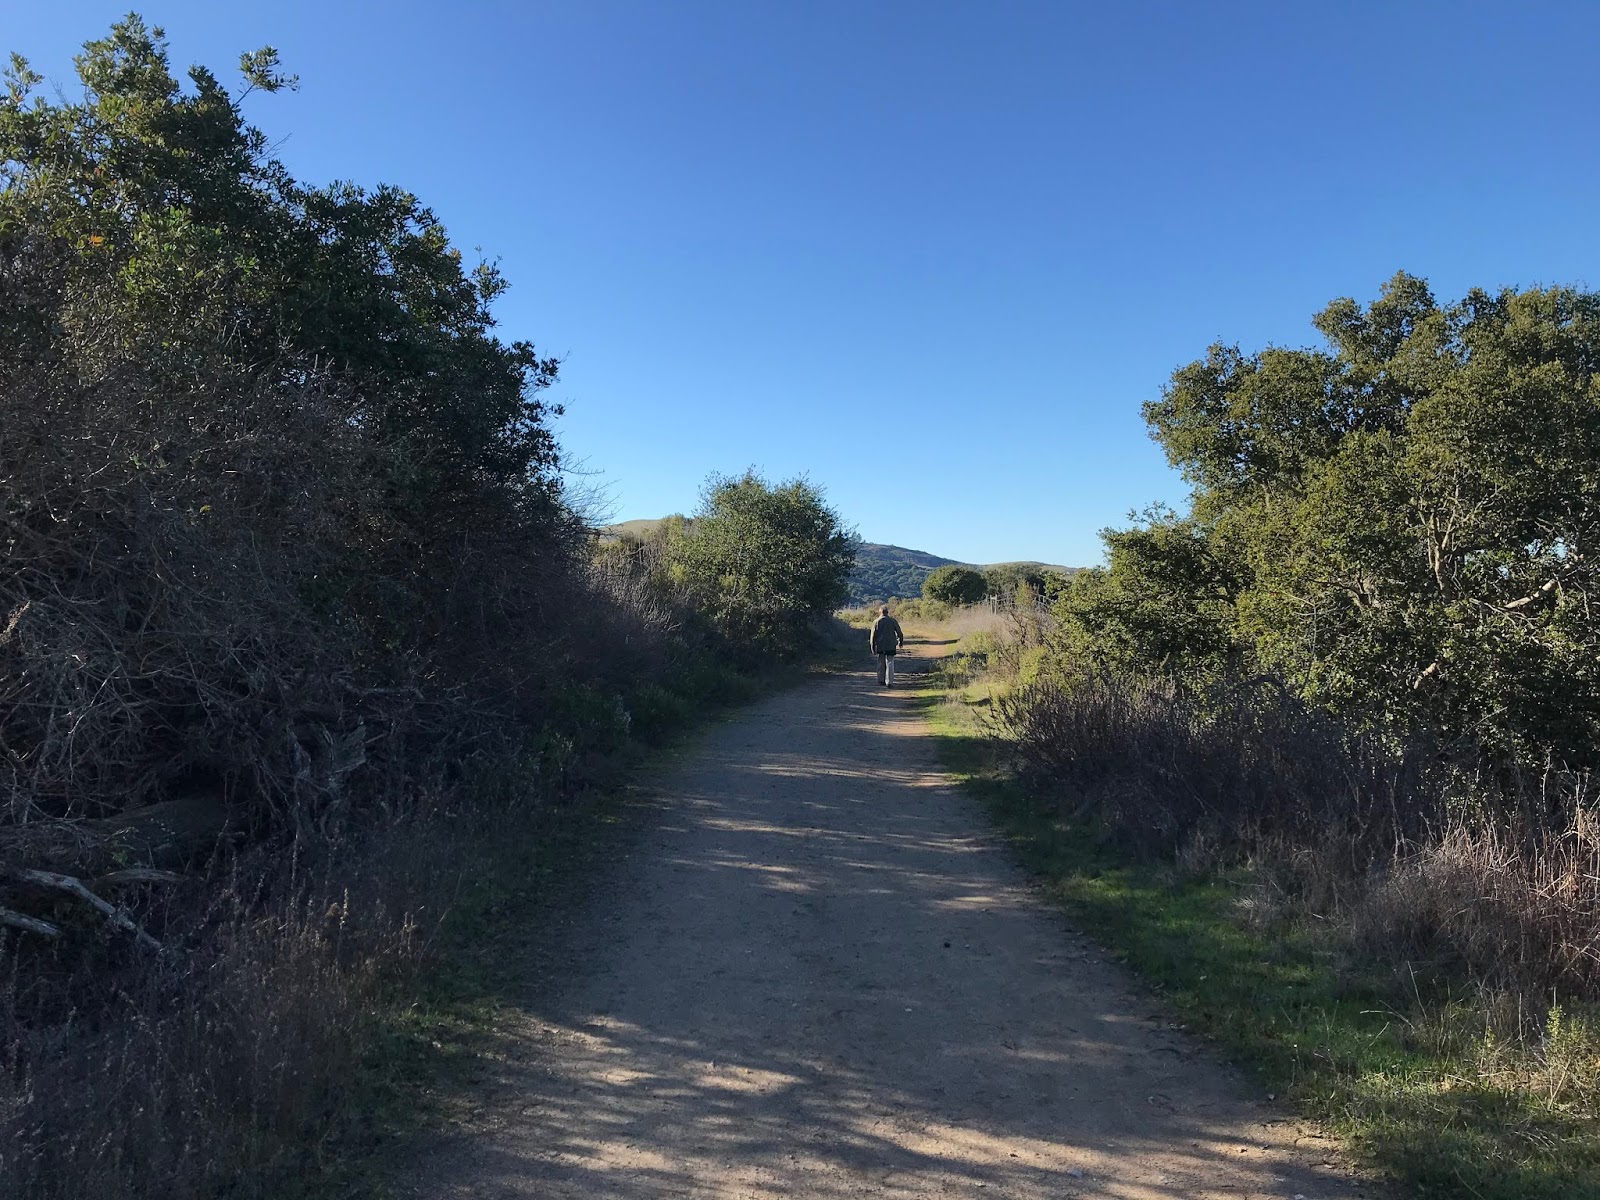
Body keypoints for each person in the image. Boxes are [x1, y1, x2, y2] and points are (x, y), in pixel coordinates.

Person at [869, 604, 905, 687]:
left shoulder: (876, 621)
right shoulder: (892, 621)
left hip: (881, 645)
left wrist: (872, 646)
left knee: (881, 662)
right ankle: (890, 682)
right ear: (887, 612)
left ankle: (881, 680)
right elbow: (899, 633)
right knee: (890, 662)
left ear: (880, 612)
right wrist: (900, 642)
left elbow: (873, 636)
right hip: (891, 645)